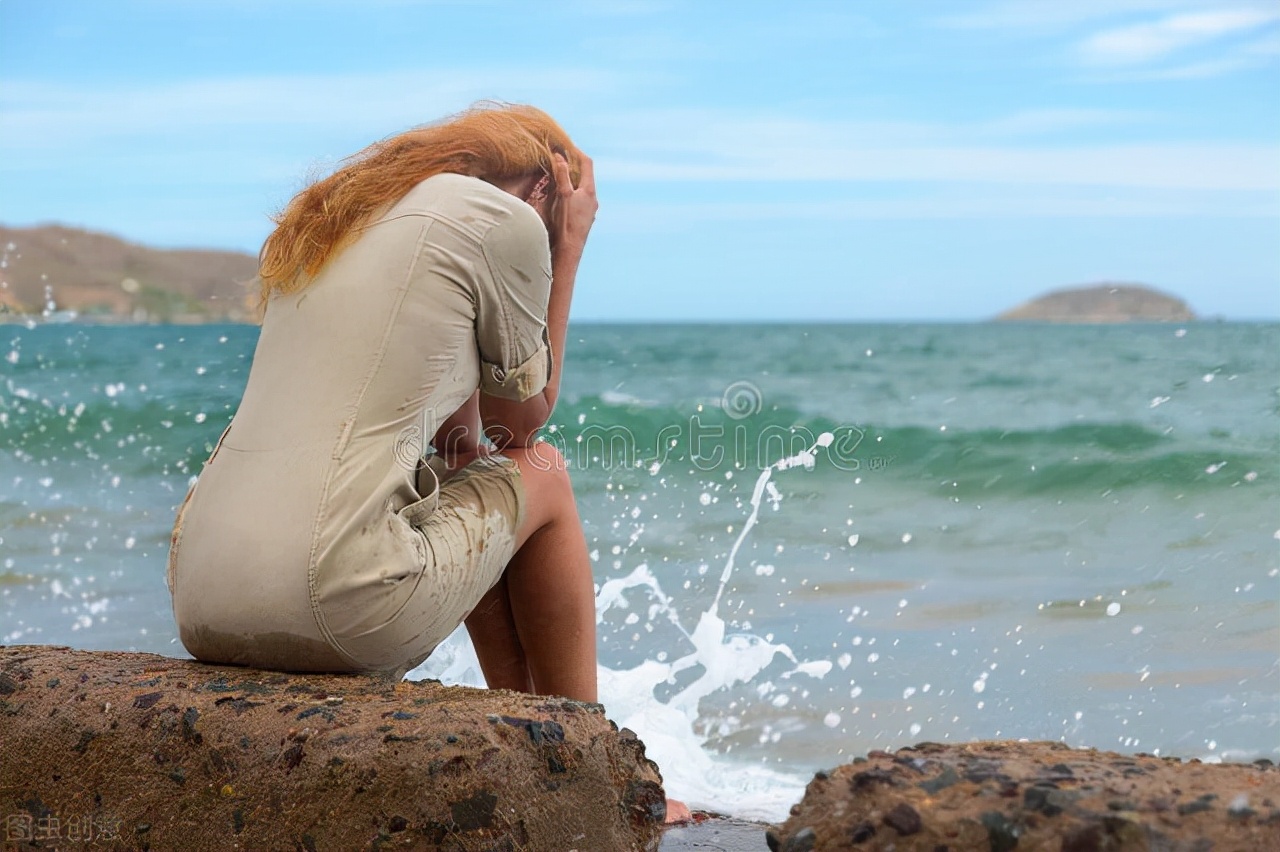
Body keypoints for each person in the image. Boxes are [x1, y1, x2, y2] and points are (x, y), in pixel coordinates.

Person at [166, 103, 599, 701]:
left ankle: (528, 722)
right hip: (338, 606)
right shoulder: (505, 217)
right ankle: (587, 753)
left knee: (462, 474)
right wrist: (568, 249)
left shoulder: (342, 219)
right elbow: (517, 425)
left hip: (200, 604)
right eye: (560, 219)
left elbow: (465, 446)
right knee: (545, 470)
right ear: (546, 186)